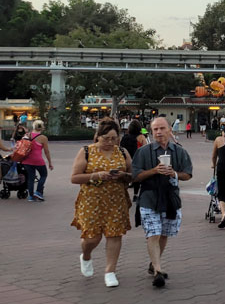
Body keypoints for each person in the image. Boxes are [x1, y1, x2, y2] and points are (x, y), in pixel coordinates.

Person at [70, 118, 133, 288]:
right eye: (106, 139)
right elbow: (74, 177)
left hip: (116, 200)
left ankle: (110, 271)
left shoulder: (122, 151)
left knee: (115, 234)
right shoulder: (86, 151)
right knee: (92, 237)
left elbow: (132, 174)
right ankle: (86, 255)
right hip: (91, 201)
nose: (110, 142)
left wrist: (122, 175)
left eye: (114, 139)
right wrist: (96, 175)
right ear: (98, 136)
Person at [131, 117, 193, 288]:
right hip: (149, 197)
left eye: (162, 128)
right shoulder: (144, 152)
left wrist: (173, 173)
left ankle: (154, 263)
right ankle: (158, 270)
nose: (158, 132)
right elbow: (135, 176)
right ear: (151, 131)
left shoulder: (179, 152)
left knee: (164, 232)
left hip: (170, 198)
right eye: (155, 129)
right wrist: (154, 171)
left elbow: (187, 174)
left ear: (169, 130)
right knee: (153, 233)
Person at [22, 120, 54, 202]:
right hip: (38, 160)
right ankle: (38, 192)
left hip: (26, 160)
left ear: (33, 126)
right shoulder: (43, 138)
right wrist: (50, 163)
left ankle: (31, 196)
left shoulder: (26, 135)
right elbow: (46, 152)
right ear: (42, 127)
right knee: (43, 175)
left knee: (30, 178)